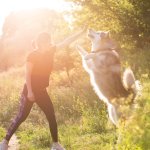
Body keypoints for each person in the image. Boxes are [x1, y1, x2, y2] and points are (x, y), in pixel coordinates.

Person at [0, 27, 86, 150]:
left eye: (50, 41)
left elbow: (66, 41)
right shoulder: (32, 55)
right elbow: (27, 75)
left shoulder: (50, 51)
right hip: (29, 91)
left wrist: (81, 32)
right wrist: (29, 92)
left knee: (51, 115)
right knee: (21, 117)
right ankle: (4, 142)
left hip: (42, 91)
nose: (50, 43)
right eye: (48, 41)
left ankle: (55, 144)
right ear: (41, 43)